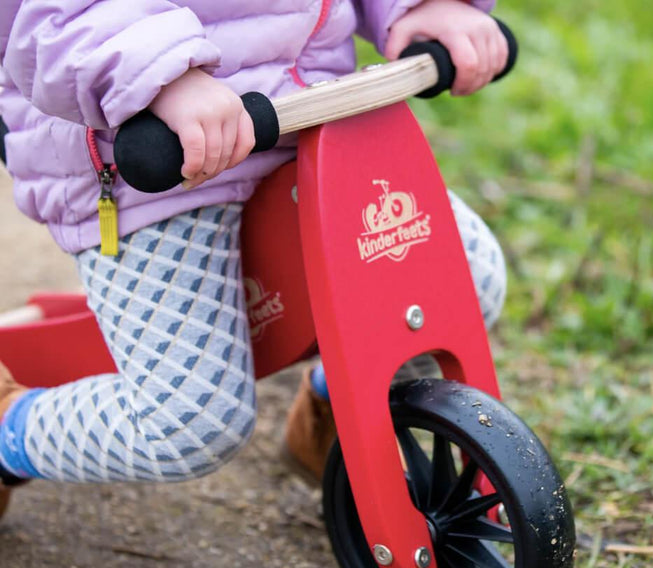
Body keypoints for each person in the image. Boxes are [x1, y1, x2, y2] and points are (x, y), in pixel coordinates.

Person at [0, 0, 507, 519]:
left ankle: (338, 414)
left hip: (312, 120)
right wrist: (160, 73)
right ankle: (8, 431)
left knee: (466, 280)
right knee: (189, 422)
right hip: (158, 162)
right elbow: (54, 17)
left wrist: (421, 7)